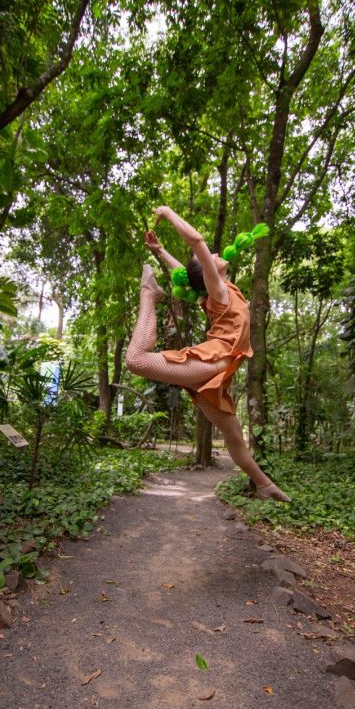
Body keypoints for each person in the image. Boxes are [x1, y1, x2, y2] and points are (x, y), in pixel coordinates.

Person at [125, 204, 290, 503]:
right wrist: (168, 213)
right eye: (210, 258)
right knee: (135, 359)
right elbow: (197, 243)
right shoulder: (219, 291)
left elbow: (189, 275)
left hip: (216, 376)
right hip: (209, 361)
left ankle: (264, 485)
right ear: (211, 272)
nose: (215, 254)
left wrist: (160, 251)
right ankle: (149, 294)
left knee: (233, 437)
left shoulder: (217, 292)